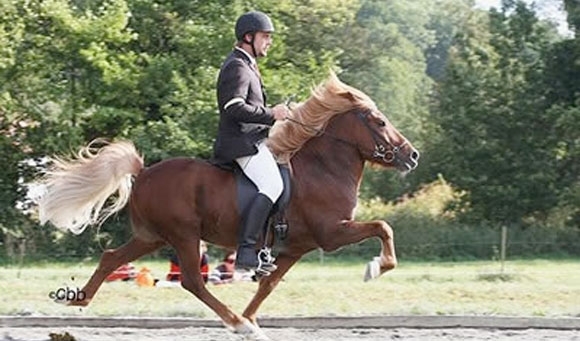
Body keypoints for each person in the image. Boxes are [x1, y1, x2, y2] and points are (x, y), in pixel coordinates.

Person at [213, 11, 289, 272]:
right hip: (240, 144)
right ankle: (246, 251)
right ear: (248, 37)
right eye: (265, 37)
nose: (269, 42)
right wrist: (272, 114)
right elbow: (233, 107)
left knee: (283, 177)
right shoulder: (237, 65)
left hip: (253, 140)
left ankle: (264, 247)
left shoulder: (246, 64)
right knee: (272, 183)